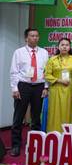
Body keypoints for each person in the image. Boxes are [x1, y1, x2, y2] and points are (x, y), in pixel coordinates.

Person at [9, 28, 49, 156]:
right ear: (26, 38)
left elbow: (46, 72)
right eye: (32, 36)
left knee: (36, 117)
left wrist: (46, 87)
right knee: (19, 116)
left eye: (37, 36)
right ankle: (16, 145)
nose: (35, 38)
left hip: (39, 86)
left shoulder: (44, 52)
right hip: (23, 86)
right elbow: (14, 71)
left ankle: (35, 144)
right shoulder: (19, 52)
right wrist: (15, 89)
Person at [44, 38, 72, 132]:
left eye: (67, 45)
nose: (64, 47)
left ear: (70, 47)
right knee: (55, 111)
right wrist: (59, 80)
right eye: (62, 45)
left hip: (69, 89)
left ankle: (67, 133)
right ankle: (54, 132)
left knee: (68, 110)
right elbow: (47, 75)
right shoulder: (52, 59)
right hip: (55, 88)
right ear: (58, 47)